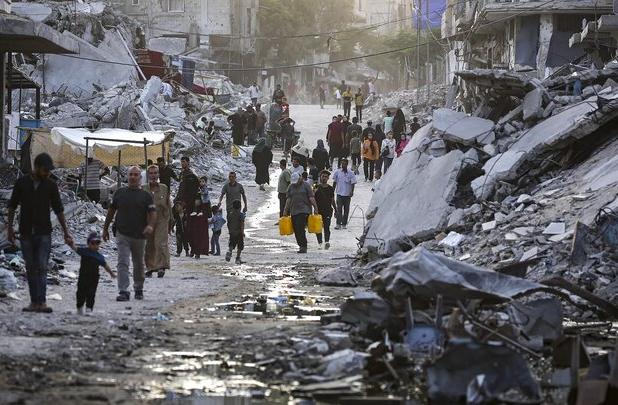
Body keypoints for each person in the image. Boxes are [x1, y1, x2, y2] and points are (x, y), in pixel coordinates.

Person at [7, 153, 73, 313]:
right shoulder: (22, 183)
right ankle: (34, 302)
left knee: (42, 267)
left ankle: (41, 302)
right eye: (45, 170)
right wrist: (9, 228)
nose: (47, 173)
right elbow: (12, 206)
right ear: (36, 168)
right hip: (26, 232)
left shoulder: (50, 185)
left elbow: (59, 210)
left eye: (49, 171)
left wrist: (66, 232)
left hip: (44, 233)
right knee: (30, 267)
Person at [103, 166, 156, 302]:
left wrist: (150, 225)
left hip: (140, 235)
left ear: (140, 177)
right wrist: (105, 228)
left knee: (138, 263)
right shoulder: (120, 193)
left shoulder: (146, 195)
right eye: (130, 174)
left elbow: (152, 213)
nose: (132, 177)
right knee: (123, 262)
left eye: (135, 175)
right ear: (127, 177)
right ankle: (123, 290)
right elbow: (111, 211)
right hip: (123, 233)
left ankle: (138, 288)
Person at [69, 232, 115, 315]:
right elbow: (75, 248)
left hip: (94, 278)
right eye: (92, 243)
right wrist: (71, 244)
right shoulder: (84, 251)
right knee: (80, 292)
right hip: (83, 276)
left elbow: (105, 265)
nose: (95, 245)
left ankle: (89, 308)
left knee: (91, 293)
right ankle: (79, 307)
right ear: (88, 243)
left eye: (97, 243)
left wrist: (111, 273)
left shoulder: (99, 256)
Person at [144, 165, 171, 277]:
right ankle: (150, 267)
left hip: (161, 218)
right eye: (151, 173)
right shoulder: (143, 189)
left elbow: (168, 204)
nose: (153, 175)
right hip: (148, 219)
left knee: (160, 242)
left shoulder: (164, 188)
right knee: (149, 244)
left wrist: (171, 219)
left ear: (158, 175)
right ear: (148, 175)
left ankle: (161, 267)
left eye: (155, 173)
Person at [284, 172, 319, 254]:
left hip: (304, 210)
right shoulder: (291, 186)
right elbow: (288, 199)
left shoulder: (306, 185)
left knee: (300, 227)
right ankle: (301, 245)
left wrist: (315, 208)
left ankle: (304, 246)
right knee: (296, 229)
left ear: (300, 178)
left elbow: (311, 197)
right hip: (294, 210)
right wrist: (285, 210)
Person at [187, 176, 211, 259]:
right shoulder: (194, 190)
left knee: (200, 234)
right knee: (192, 233)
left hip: (201, 216)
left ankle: (198, 252)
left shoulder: (204, 191)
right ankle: (193, 250)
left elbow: (206, 203)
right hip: (194, 215)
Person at [314, 170, 336, 250]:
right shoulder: (316, 187)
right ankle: (320, 243)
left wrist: (336, 210)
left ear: (328, 178)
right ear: (320, 177)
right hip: (318, 211)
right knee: (318, 228)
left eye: (326, 177)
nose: (324, 178)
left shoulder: (330, 188)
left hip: (328, 211)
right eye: (323, 176)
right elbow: (312, 198)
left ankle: (327, 242)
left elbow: (332, 200)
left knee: (327, 227)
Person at [332, 157, 356, 230]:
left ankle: (344, 223)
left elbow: (353, 183)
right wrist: (332, 191)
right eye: (342, 164)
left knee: (346, 210)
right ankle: (338, 223)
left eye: (345, 164)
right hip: (339, 193)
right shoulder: (337, 172)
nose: (343, 165)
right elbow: (335, 182)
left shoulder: (351, 173)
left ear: (347, 164)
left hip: (347, 194)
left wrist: (352, 191)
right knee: (339, 209)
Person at [225, 199, 245, 264]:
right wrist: (242, 232)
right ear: (240, 207)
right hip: (239, 232)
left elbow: (228, 223)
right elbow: (242, 224)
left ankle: (229, 252)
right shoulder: (241, 215)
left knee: (231, 244)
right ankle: (237, 258)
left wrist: (230, 230)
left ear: (233, 207)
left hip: (232, 232)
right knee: (240, 246)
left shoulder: (230, 214)